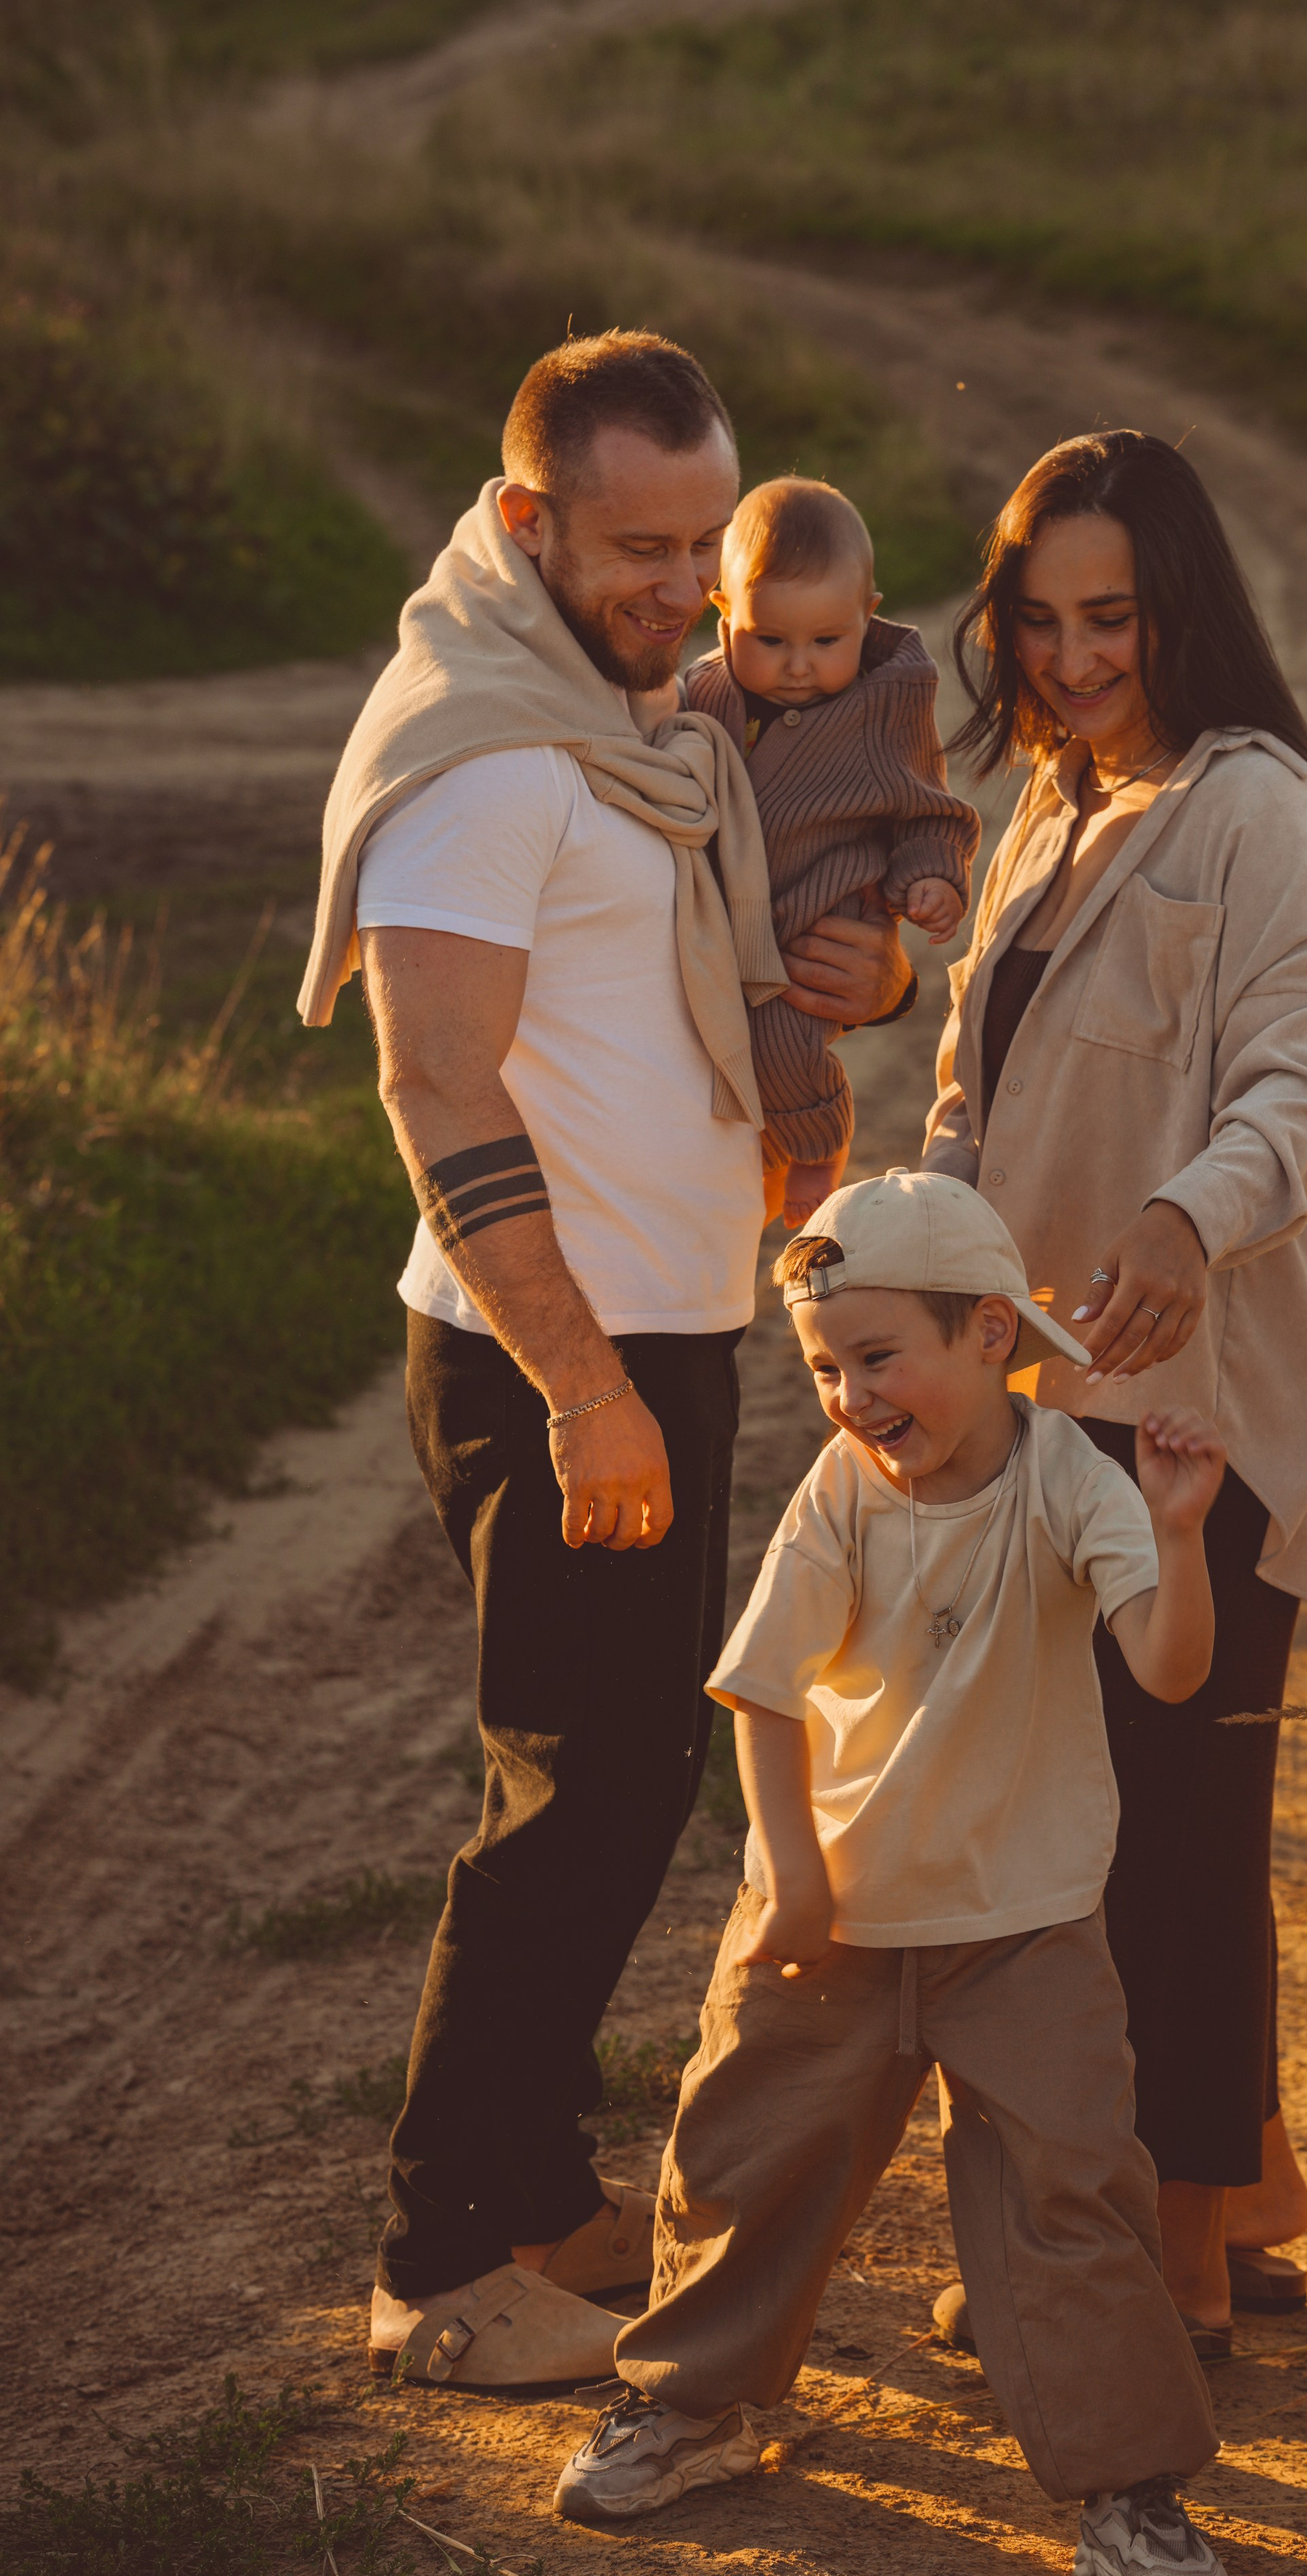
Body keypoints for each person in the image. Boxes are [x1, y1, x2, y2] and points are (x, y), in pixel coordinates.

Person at [296, 329, 913, 2393]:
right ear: (529, 518)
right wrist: (583, 1388)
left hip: (664, 1318)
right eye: (635, 548)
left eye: (694, 546)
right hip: (556, 1355)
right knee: (569, 1793)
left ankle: (543, 2188)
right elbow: (436, 1081)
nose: (676, 587)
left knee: (636, 1777)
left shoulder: (622, 716)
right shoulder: (480, 753)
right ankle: (445, 2262)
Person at [552, 1169, 1229, 2575]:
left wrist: (1175, 1531)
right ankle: (691, 2407)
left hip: (1024, 1928)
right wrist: (792, 1887)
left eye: (875, 1358)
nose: (850, 1397)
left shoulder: (1067, 1482)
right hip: (832, 1915)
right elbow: (765, 1698)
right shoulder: (839, 1495)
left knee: (1073, 2192)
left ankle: (1122, 2484)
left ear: (989, 1336)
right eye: (822, 1368)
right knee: (743, 2159)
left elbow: (1168, 1672)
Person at [922, 429, 1307, 2351]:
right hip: (1041, 1406)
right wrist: (911, 1253)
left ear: (1178, 607)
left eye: (1109, 618)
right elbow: (976, 1097)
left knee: (1175, 1842)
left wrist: (1192, 1222)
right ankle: (1223, 2188)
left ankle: (1173, 2261)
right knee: (1060, 1829)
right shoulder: (1047, 815)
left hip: (1202, 1419)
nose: (1073, 657)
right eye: (1038, 622)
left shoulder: (1260, 816)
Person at [685, 476, 980, 1227]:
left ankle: (816, 1143)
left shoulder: (884, 708)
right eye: (770, 640)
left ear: (866, 617)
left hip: (815, 915)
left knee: (782, 1034)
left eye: (826, 641)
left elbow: (928, 810)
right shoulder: (698, 697)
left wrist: (931, 878)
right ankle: (755, 1156)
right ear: (722, 615)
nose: (797, 666)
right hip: (721, 926)